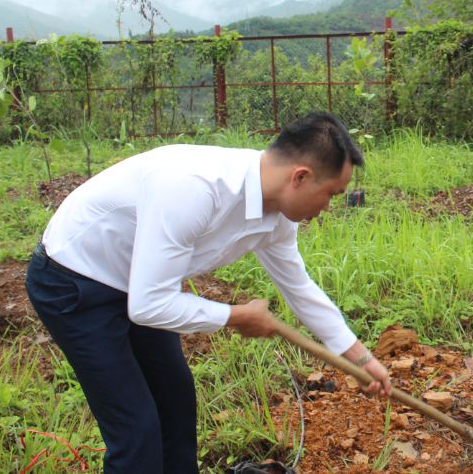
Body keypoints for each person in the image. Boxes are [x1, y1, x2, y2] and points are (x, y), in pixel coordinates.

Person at [25, 111, 392, 474]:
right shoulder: (195, 188)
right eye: (331, 194)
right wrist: (235, 316)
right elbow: (149, 305)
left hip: (141, 281)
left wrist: (360, 359)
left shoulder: (276, 215)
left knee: (176, 404)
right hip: (74, 283)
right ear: (300, 177)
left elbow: (299, 288)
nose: (327, 208)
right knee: (137, 428)